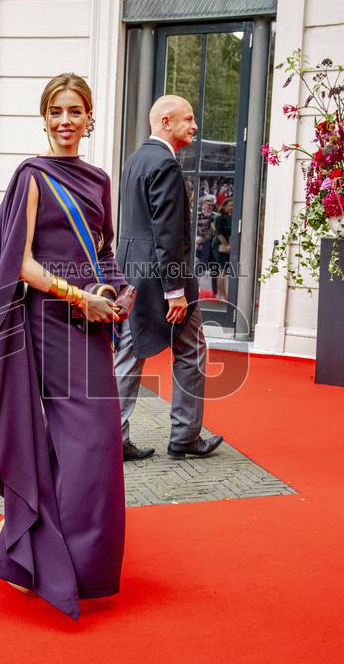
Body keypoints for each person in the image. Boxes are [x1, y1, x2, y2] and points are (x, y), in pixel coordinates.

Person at [0, 73, 129, 620]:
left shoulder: (99, 179)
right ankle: (37, 553)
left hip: (91, 322)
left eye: (77, 111)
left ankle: (56, 553)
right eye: (57, 111)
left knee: (96, 443)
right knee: (80, 441)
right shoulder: (32, 175)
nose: (67, 121)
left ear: (90, 117)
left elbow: (102, 252)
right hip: (49, 319)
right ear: (45, 117)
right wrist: (77, 296)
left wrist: (116, 290)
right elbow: (21, 262)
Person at [114, 95, 224, 461]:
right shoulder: (165, 164)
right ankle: (185, 437)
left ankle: (113, 437)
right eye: (188, 119)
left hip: (133, 274)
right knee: (191, 350)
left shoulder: (135, 160)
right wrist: (175, 290)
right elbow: (168, 233)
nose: (194, 126)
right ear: (165, 122)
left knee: (129, 353)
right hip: (163, 280)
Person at [212, 199, 233, 301]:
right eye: (230, 205)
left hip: (228, 246)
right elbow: (219, 233)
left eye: (233, 206)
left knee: (223, 270)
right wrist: (227, 245)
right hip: (219, 245)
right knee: (223, 270)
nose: (232, 207)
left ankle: (222, 295)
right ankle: (221, 295)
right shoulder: (219, 218)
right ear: (224, 206)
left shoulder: (230, 218)